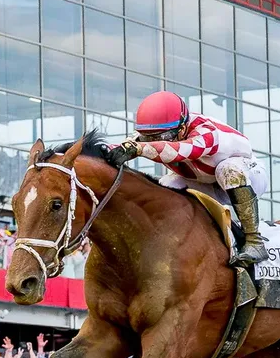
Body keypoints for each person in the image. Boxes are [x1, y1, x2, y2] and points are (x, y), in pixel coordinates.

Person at [105, 90, 270, 265]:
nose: (152, 141)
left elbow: (179, 151)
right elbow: (124, 146)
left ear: (183, 128)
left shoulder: (206, 132)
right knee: (166, 185)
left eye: (160, 137)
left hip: (248, 175)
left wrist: (139, 148)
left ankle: (254, 241)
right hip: (205, 181)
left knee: (228, 170)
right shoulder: (154, 133)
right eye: (148, 137)